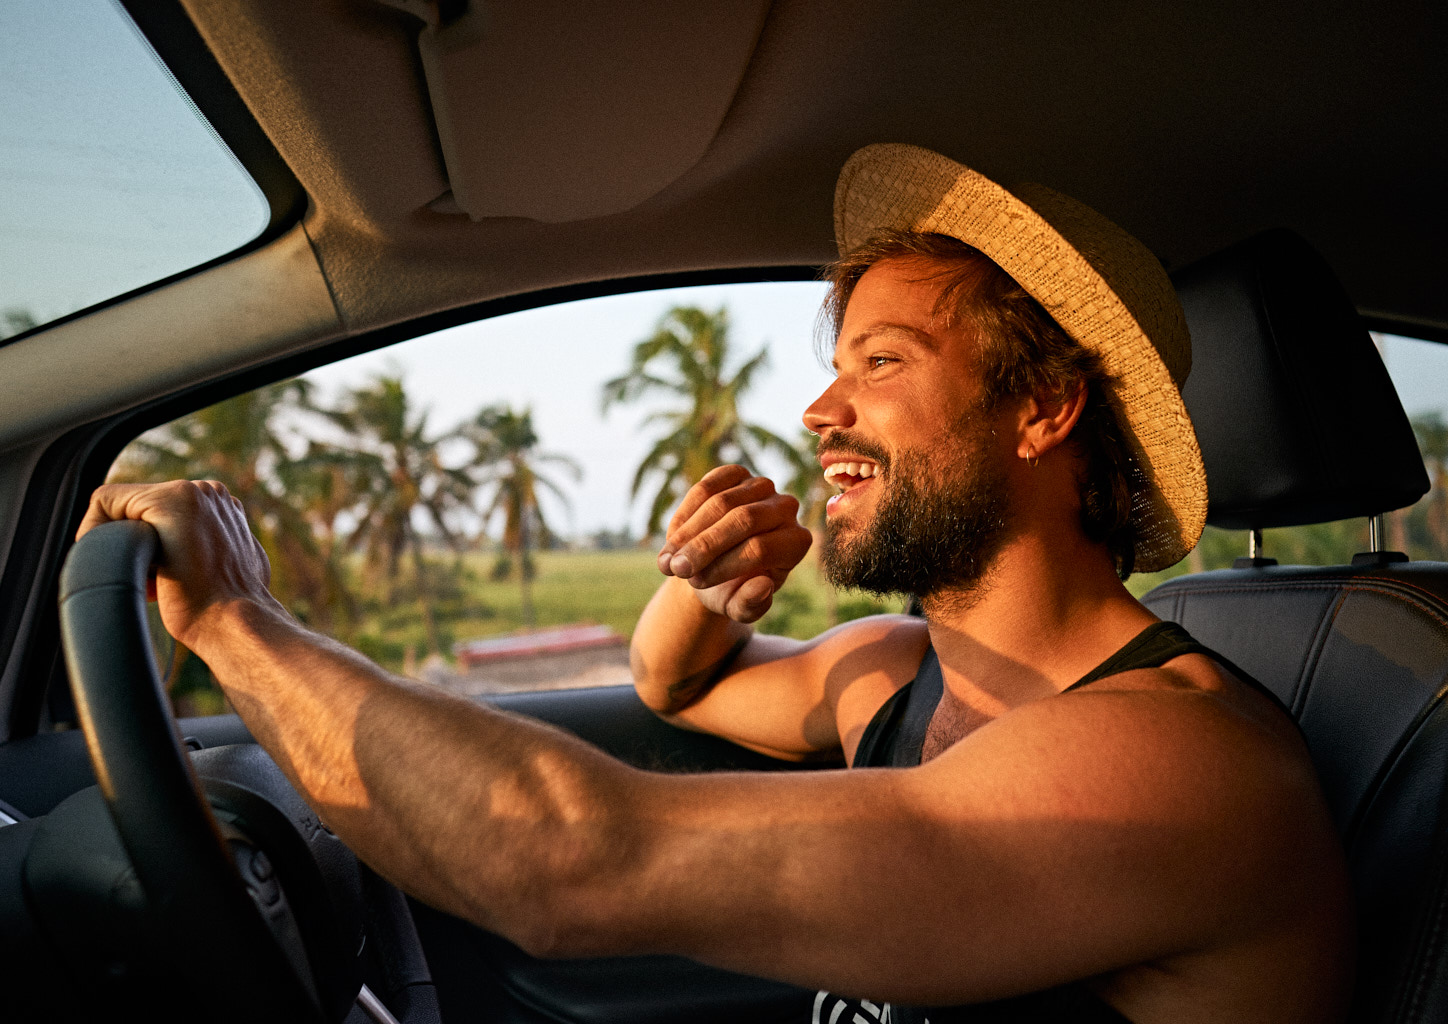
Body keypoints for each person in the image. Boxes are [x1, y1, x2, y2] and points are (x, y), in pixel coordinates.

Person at [79, 145, 1352, 1024]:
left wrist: (238, 621)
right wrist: (708, 585)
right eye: (832, 365)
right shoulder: (898, 677)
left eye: (881, 361)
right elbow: (672, 682)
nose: (818, 408)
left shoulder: (1178, 764)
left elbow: (572, 864)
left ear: (1044, 408)